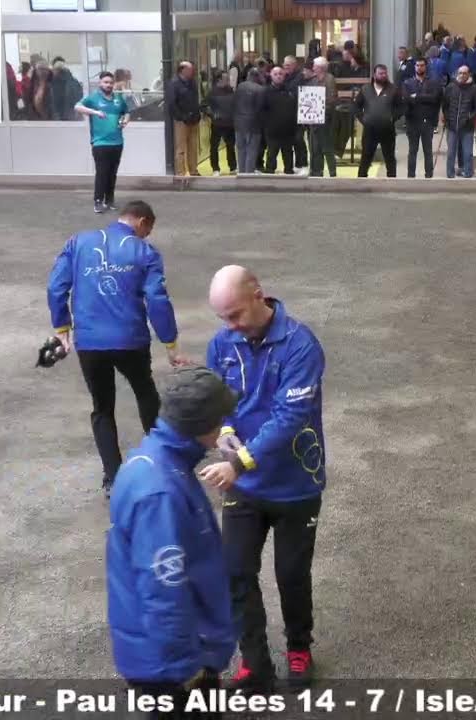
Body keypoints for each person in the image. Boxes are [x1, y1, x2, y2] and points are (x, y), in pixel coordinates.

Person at [201, 266, 327, 694]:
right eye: (223, 318)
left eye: (235, 314)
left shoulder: (300, 345)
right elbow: (219, 400)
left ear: (259, 294)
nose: (230, 326)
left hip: (295, 484)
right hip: (245, 490)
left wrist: (238, 463)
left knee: (291, 574)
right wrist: (224, 432)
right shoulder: (222, 342)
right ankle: (255, 663)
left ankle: (299, 647)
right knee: (235, 572)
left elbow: (290, 417)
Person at [107, 366, 237, 719]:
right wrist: (188, 669)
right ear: (202, 425)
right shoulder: (161, 492)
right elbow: (163, 589)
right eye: (221, 419)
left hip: (158, 655)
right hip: (172, 669)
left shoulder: (150, 461)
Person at [47, 200, 188, 497]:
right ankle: (160, 462)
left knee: (102, 407)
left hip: (90, 342)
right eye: (148, 230)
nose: (147, 236)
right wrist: (171, 344)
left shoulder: (78, 243)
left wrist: (62, 329)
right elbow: (157, 300)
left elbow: (55, 287)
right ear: (142, 222)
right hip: (130, 340)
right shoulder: (145, 251)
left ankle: (112, 477)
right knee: (145, 393)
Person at [75, 72, 130, 213]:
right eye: (105, 82)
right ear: (100, 83)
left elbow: (126, 111)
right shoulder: (94, 98)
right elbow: (77, 107)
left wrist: (125, 120)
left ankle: (109, 200)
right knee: (102, 172)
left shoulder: (118, 98)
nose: (108, 85)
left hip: (117, 142)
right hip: (100, 143)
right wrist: (95, 112)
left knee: (112, 173)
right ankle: (98, 201)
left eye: (111, 82)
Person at [355, 64, 402, 178]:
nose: (383, 75)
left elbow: (401, 107)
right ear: (374, 75)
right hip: (370, 129)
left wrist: (393, 118)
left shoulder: (393, 89)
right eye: (381, 73)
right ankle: (361, 181)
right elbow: (355, 106)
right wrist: (363, 119)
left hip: (387, 129)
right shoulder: (365, 89)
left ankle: (391, 182)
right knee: (366, 156)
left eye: (385, 73)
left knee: (390, 157)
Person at [402, 56, 443, 178]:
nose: (420, 67)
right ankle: (411, 176)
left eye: (422, 65)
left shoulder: (433, 82)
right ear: (414, 67)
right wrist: (424, 97)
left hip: (428, 121)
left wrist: (417, 96)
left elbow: (435, 98)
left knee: (428, 151)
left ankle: (429, 175)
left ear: (426, 66)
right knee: (412, 151)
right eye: (417, 65)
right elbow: (406, 99)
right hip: (412, 121)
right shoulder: (407, 83)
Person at [442, 65, 476, 179]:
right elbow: (445, 105)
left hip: (467, 127)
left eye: (464, 73)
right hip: (452, 126)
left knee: (467, 153)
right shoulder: (450, 87)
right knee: (451, 153)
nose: (462, 75)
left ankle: (468, 173)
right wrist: (447, 118)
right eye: (460, 73)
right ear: (457, 74)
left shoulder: (475, 89)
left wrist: (469, 118)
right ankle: (450, 174)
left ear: (469, 74)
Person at [303, 57, 339, 178]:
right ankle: (317, 171)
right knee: (315, 147)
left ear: (321, 68)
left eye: (315, 66)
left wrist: (320, 109)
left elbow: (331, 99)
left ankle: (332, 172)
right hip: (313, 118)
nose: (313, 68)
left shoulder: (329, 79)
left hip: (325, 118)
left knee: (326, 147)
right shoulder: (313, 80)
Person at [262, 66, 299, 175]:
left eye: (280, 74)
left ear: (284, 76)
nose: (278, 76)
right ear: (271, 76)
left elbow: (295, 108)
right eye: (275, 74)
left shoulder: (290, 91)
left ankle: (289, 172)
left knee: (288, 155)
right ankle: (269, 173)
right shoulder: (266, 91)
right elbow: (261, 111)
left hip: (288, 131)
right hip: (272, 131)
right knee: (271, 155)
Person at [169, 62, 203, 177]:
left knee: (193, 147)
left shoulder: (192, 82)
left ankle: (193, 170)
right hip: (182, 121)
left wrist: (197, 114)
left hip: (194, 119)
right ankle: (181, 172)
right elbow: (172, 104)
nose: (192, 71)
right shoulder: (174, 84)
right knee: (181, 148)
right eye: (190, 69)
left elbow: (195, 99)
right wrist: (181, 117)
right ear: (182, 70)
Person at [233, 68, 266, 175]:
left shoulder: (240, 86)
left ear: (248, 75)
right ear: (257, 77)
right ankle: (248, 174)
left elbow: (235, 103)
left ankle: (242, 173)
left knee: (241, 150)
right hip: (254, 124)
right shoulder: (261, 89)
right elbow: (260, 108)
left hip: (239, 124)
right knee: (251, 150)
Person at [281, 56, 310, 174]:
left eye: (288, 65)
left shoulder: (301, 77)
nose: (286, 67)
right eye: (285, 65)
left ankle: (302, 163)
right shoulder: (283, 77)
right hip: (286, 113)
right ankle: (291, 165)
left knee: (298, 139)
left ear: (295, 65)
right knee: (288, 140)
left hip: (298, 112)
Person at [207, 70, 237, 176]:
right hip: (217, 124)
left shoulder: (231, 91)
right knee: (214, 147)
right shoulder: (212, 93)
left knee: (231, 146)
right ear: (219, 79)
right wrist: (212, 114)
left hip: (230, 123)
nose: (228, 80)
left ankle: (233, 167)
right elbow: (204, 106)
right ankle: (215, 168)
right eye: (226, 79)